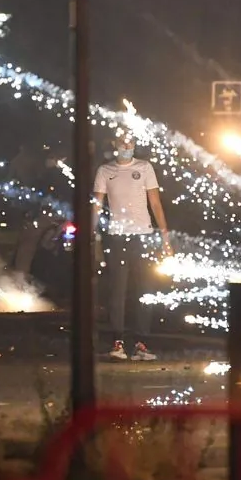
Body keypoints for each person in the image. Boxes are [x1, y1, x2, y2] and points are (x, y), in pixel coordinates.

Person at [92, 132, 172, 362]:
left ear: (135, 145)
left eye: (130, 143)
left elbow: (155, 203)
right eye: (122, 143)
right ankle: (117, 342)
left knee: (144, 290)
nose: (126, 146)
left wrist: (164, 235)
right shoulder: (105, 171)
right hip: (117, 237)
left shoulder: (145, 168)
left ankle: (141, 343)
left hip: (143, 236)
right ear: (115, 145)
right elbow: (97, 205)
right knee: (117, 290)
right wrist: (92, 234)